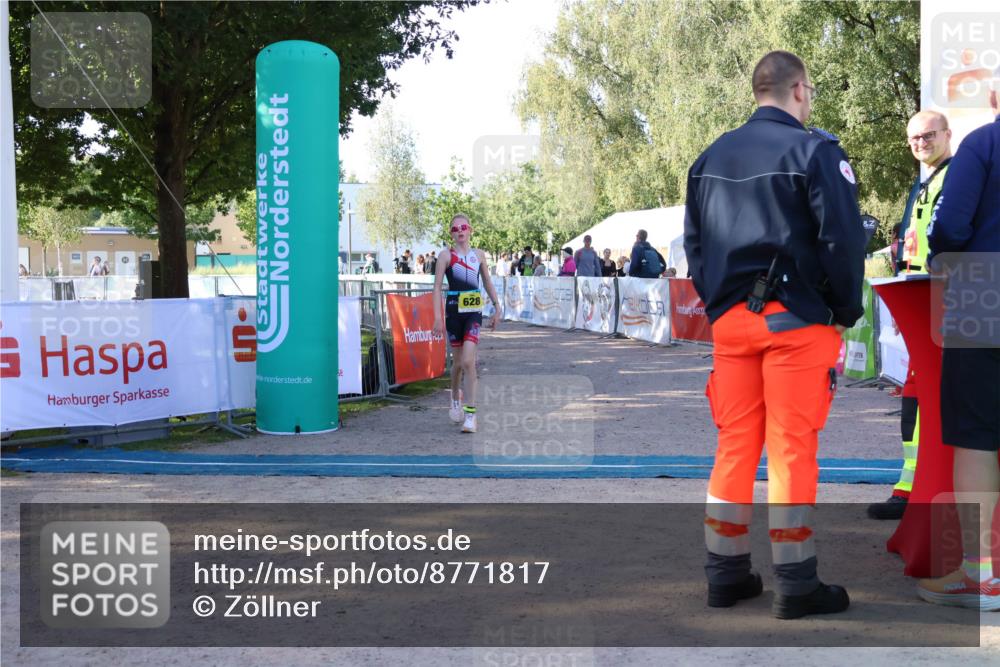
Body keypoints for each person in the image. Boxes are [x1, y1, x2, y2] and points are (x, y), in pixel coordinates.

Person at [684, 50, 865, 619]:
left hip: (732, 324)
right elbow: (842, 241)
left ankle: (726, 573)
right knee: (791, 451)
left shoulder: (708, 158)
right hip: (796, 322)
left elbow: (694, 247)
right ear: (800, 90)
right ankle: (795, 581)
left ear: (755, 89)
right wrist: (842, 310)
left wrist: (722, 304)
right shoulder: (816, 151)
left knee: (734, 447)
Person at [917, 72, 1000, 610]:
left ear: (995, 98)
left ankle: (981, 576)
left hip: (983, 298)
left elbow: (948, 228)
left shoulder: (982, 143)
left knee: (975, 437)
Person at [867, 110, 953, 521]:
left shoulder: (954, 178)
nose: (921, 143)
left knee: (924, 405)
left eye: (929, 135)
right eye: (915, 138)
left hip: (941, 304)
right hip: (920, 304)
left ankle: (914, 492)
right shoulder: (923, 184)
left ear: (947, 135)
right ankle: (910, 488)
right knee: (914, 404)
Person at [432, 215, 501, 434]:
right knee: (458, 363)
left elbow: (487, 281)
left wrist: (497, 306)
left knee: (469, 362)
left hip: (473, 313)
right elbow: (436, 288)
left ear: (470, 230)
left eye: (463, 227)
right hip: (453, 313)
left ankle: (470, 415)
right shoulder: (445, 256)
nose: (460, 231)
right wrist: (437, 317)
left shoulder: (478, 255)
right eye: (455, 228)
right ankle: (454, 395)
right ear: (451, 233)